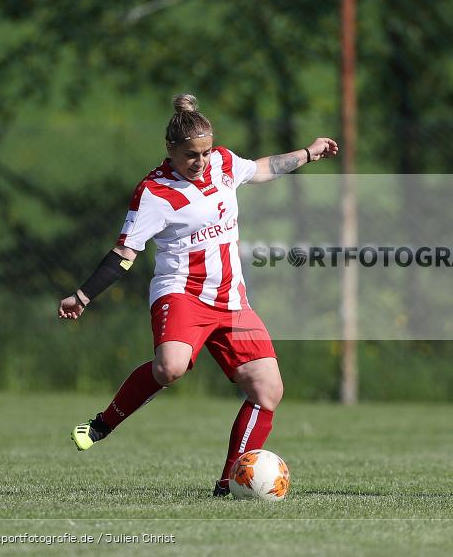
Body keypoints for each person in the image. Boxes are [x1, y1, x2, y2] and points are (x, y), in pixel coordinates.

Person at [58, 94, 338, 496]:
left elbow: (262, 168)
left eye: (205, 152)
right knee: (170, 367)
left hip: (232, 301)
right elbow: (124, 253)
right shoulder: (154, 192)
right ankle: (103, 424)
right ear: (170, 150)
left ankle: (229, 482)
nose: (201, 161)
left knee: (268, 391)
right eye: (191, 155)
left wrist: (309, 153)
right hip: (182, 294)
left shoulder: (223, 164)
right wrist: (83, 296)